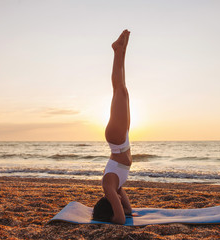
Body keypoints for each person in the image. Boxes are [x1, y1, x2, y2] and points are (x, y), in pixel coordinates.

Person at [92, 29, 132, 225]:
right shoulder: (115, 189)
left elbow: (120, 218)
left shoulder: (108, 186)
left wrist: (113, 213)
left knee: (119, 89)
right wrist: (119, 200)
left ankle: (117, 51)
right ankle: (122, 51)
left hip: (116, 140)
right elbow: (128, 212)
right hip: (123, 140)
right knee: (123, 90)